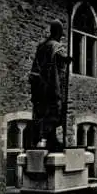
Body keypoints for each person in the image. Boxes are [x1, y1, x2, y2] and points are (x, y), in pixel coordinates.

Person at [29, 19, 72, 151]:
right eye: (60, 32)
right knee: (55, 109)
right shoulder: (55, 45)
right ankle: (44, 139)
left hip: (39, 85)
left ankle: (48, 138)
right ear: (58, 32)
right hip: (51, 84)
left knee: (42, 111)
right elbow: (59, 56)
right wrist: (68, 59)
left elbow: (36, 64)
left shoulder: (41, 46)